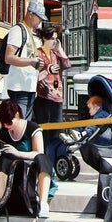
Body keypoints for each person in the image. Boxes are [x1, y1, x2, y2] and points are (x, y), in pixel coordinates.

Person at [0, 98, 50, 220]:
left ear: (17, 115)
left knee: (44, 160)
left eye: (9, 122)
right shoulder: (5, 131)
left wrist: (18, 153)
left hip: (32, 165)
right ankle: (0, 200)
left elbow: (39, 153)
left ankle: (43, 203)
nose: (6, 126)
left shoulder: (32, 127)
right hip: (12, 166)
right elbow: (1, 148)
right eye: (4, 123)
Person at [32, 22, 71, 181]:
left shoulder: (56, 54)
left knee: (57, 134)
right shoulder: (38, 54)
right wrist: (47, 70)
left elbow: (67, 65)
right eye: (52, 39)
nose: (55, 41)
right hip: (43, 99)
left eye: (56, 39)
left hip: (58, 98)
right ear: (44, 39)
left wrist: (60, 49)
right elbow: (34, 78)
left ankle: (53, 167)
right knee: (46, 134)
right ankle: (45, 168)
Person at [0, 10, 42, 117]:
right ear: (30, 14)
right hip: (19, 88)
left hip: (29, 88)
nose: (40, 22)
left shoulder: (29, 33)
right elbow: (8, 58)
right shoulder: (18, 30)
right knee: (20, 124)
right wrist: (31, 62)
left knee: (24, 126)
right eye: (39, 18)